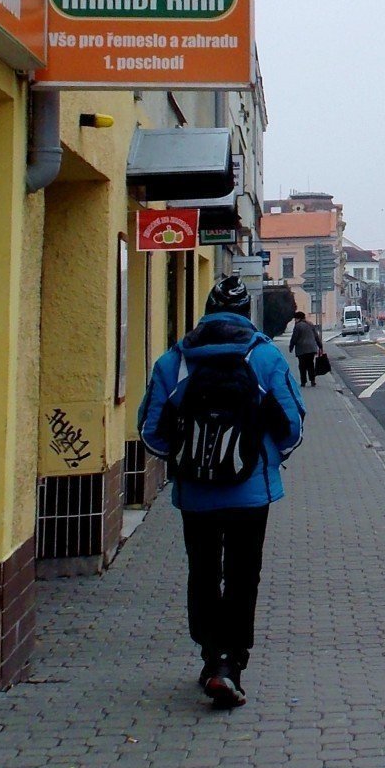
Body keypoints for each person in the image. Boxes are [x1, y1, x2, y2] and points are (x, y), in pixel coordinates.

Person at [140, 276, 304, 709]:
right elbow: (293, 428)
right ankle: (231, 663)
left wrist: (188, 458)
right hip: (252, 492)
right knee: (244, 575)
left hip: (195, 494)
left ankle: (211, 655)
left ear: (206, 310)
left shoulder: (175, 360)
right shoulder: (265, 356)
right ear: (248, 312)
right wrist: (264, 457)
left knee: (203, 572)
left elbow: (150, 432)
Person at [288, 309, 324, 386]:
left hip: (302, 349)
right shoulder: (311, 324)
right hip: (312, 348)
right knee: (310, 364)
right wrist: (320, 346)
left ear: (298, 318)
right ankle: (312, 381)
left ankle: (303, 382)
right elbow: (316, 336)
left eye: (295, 318)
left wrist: (291, 347)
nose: (295, 320)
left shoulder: (298, 326)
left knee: (302, 365)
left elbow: (294, 338)